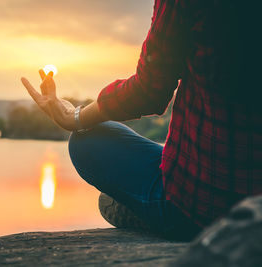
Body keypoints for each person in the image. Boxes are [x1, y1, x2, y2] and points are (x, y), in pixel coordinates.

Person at [21, 0, 261, 240]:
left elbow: (149, 90)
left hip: (203, 208)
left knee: (87, 141)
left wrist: (72, 117)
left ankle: (153, 214)